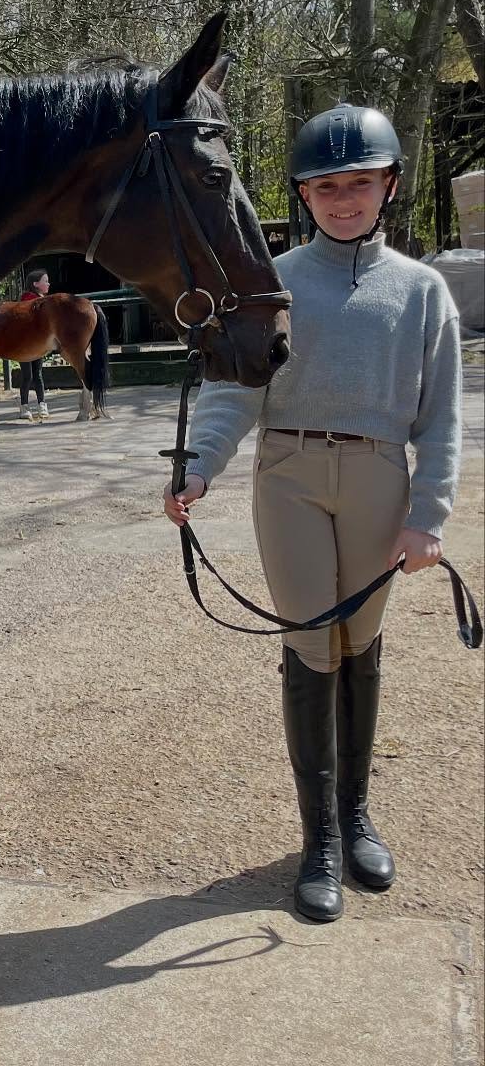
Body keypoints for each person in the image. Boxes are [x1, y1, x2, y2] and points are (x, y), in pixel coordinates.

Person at [162, 103, 462, 924]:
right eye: (326, 187)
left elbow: (441, 418)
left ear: (387, 186)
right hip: (289, 472)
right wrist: (197, 467)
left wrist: (427, 516)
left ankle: (357, 815)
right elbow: (233, 389)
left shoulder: (424, 292)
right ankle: (318, 839)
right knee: (307, 641)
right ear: (304, 195)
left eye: (357, 184)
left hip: (376, 476)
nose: (342, 200)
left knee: (359, 640)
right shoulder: (275, 279)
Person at [17, 269, 50, 421]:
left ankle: (42, 404)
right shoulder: (28, 299)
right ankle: (24, 406)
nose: (48, 283)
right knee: (27, 376)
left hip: (37, 344)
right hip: (24, 343)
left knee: (38, 375)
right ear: (36, 284)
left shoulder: (45, 299)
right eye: (45, 281)